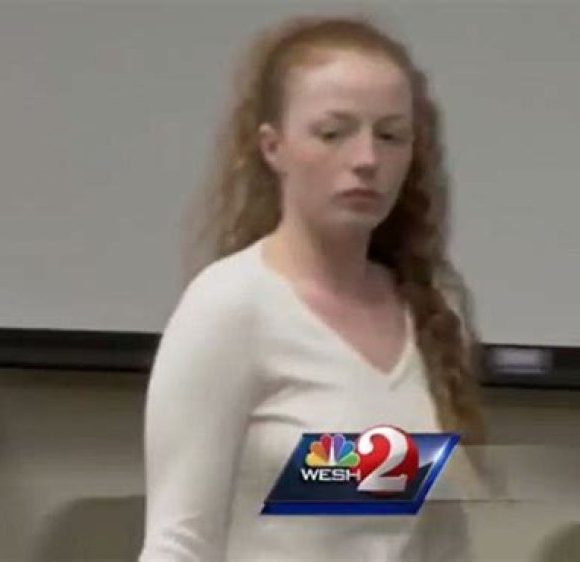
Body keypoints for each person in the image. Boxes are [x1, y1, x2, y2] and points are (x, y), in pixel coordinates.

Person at [139, 13, 492, 562]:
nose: (367, 160)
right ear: (273, 147)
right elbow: (180, 543)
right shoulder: (231, 306)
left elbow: (438, 543)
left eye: (390, 136)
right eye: (333, 133)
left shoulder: (426, 311)